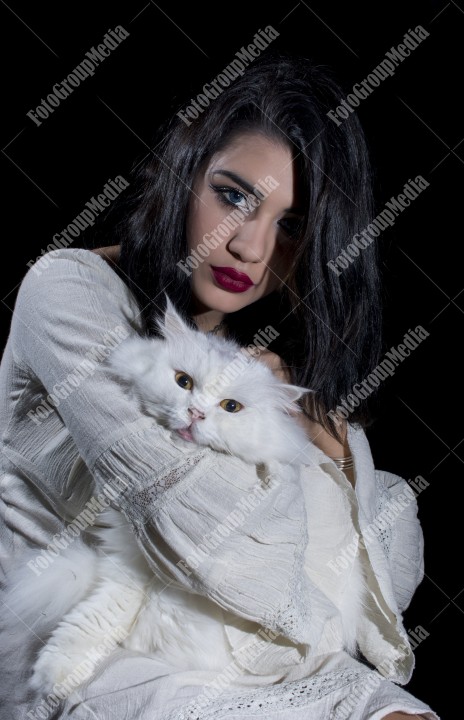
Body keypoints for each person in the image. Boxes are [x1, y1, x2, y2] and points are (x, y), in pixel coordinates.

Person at [0, 51, 439, 719]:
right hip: (94, 669)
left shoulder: (257, 372)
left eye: (290, 226)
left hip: (252, 663)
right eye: (233, 197)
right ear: (184, 171)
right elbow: (224, 550)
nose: (250, 248)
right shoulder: (69, 289)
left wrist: (335, 447)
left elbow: (364, 600)